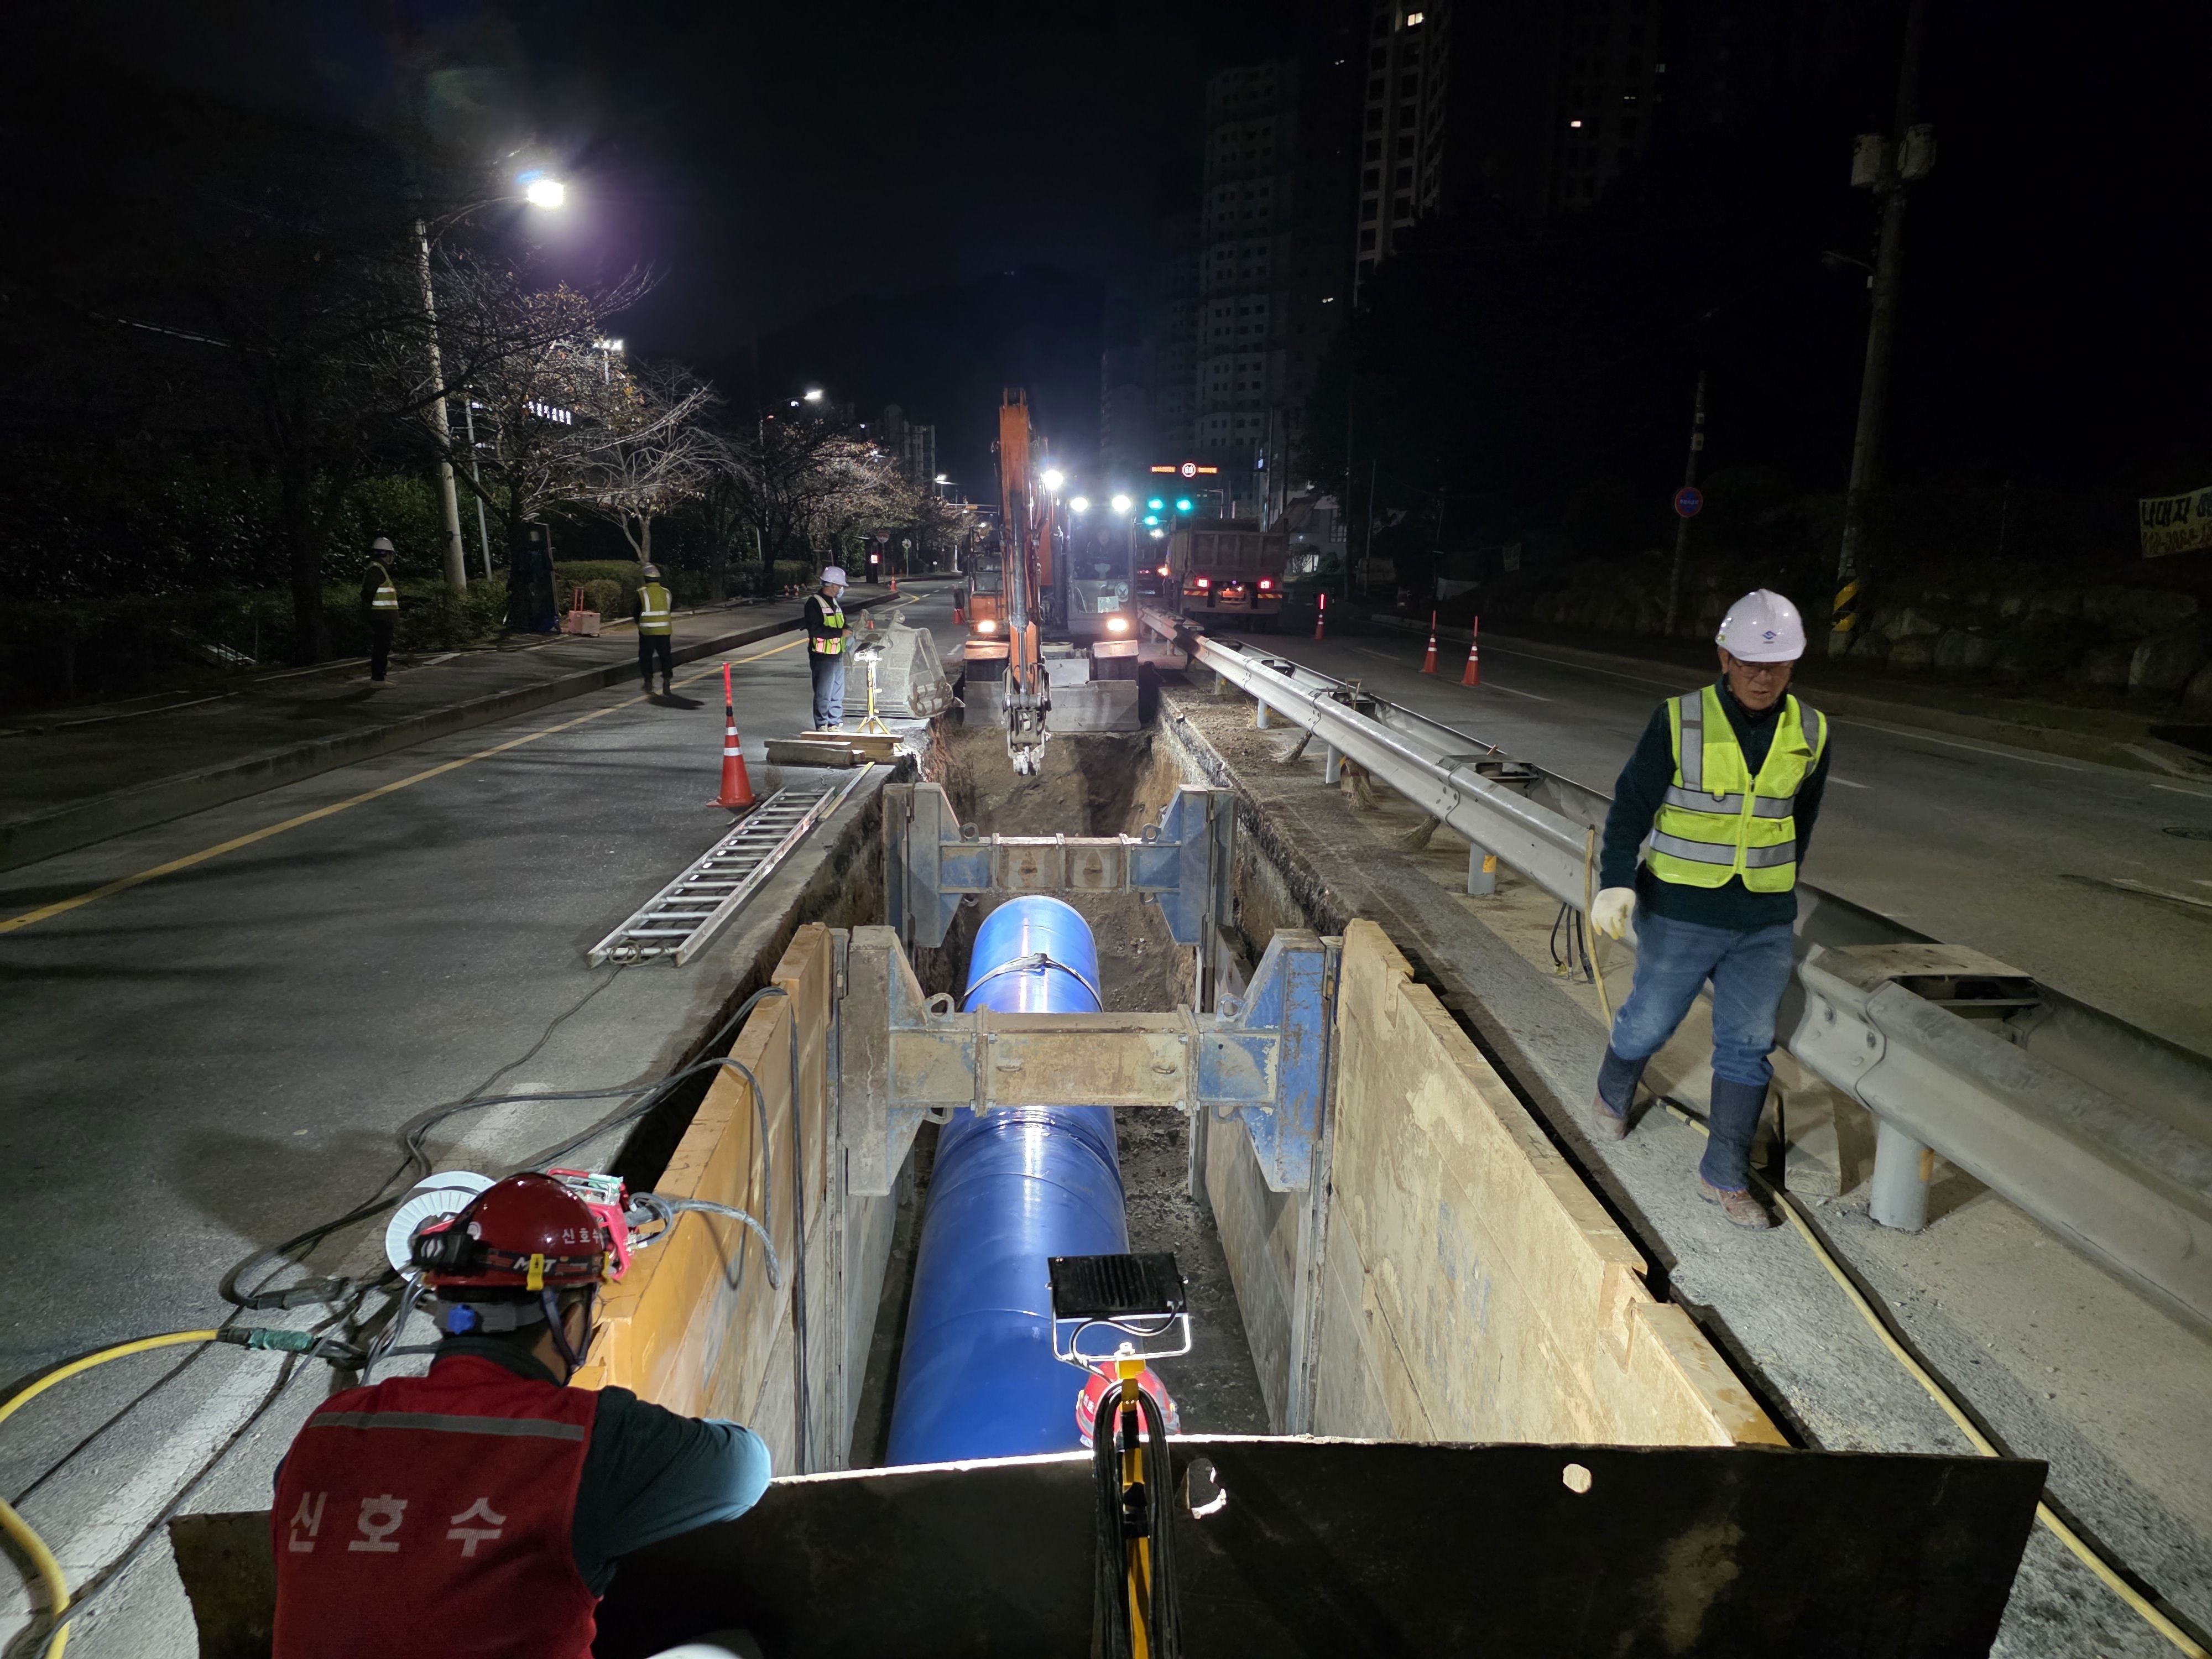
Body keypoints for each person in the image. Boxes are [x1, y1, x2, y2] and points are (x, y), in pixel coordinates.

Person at [270, 1173, 771, 1658]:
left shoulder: (325, 1428)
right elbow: (747, 1470)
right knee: (730, 1648)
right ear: (570, 1322)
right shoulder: (585, 1439)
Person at [1585, 589, 1832, 1229]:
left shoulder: (1811, 730)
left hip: (1763, 922)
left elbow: (1798, 822)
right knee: (1649, 1024)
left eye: (1775, 666)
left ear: (1794, 665)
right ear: (1723, 657)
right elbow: (1631, 805)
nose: (1761, 676)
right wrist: (1615, 881)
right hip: (1679, 910)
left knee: (1748, 1046)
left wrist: (1773, 885)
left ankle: (1722, 1175)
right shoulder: (1680, 719)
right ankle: (1612, 1090)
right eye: (1748, 662)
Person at [805, 566, 848, 731]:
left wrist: (847, 630)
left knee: (837, 692)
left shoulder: (834, 603)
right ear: (830, 584)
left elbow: (842, 622)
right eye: (839, 585)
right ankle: (822, 724)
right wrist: (840, 632)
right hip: (822, 655)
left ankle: (834, 723)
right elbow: (815, 629)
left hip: (836, 654)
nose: (840, 589)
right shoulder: (814, 603)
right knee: (824, 692)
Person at [361, 538, 399, 685]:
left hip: (381, 615)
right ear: (387, 554)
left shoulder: (377, 568)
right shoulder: (377, 570)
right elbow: (368, 593)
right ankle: (378, 678)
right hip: (381, 616)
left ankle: (380, 675)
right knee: (381, 647)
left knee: (383, 647)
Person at [633, 563, 675, 696]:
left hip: (647, 631)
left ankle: (648, 681)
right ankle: (667, 680)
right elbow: (670, 609)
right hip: (664, 631)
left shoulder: (641, 593)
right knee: (666, 657)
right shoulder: (667, 592)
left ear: (645, 579)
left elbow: (636, 612)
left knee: (646, 657)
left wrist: (638, 623)